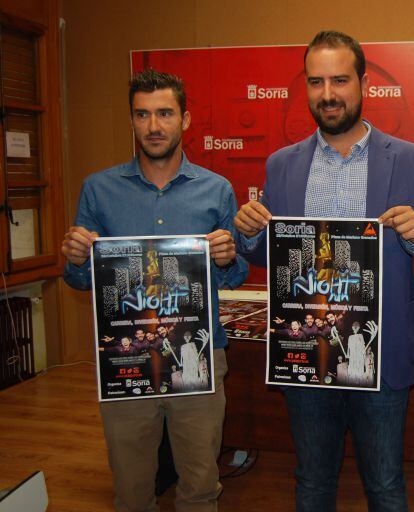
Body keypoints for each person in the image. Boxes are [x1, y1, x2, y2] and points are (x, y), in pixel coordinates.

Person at [234, 30, 414, 511]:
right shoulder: (282, 165)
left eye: (339, 80)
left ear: (363, 84)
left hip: (379, 355)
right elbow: (266, 254)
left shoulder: (411, 160)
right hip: (305, 352)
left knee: (385, 486)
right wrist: (250, 233)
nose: (328, 94)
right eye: (316, 82)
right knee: (312, 484)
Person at [61, 69, 248, 512]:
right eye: (142, 114)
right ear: (131, 121)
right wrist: (74, 260)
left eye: (164, 113)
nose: (153, 126)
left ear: (185, 120)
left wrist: (226, 259)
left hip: (197, 359)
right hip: (126, 359)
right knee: (131, 490)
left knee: (201, 486)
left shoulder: (216, 189)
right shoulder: (99, 189)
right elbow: (82, 280)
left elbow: (233, 277)